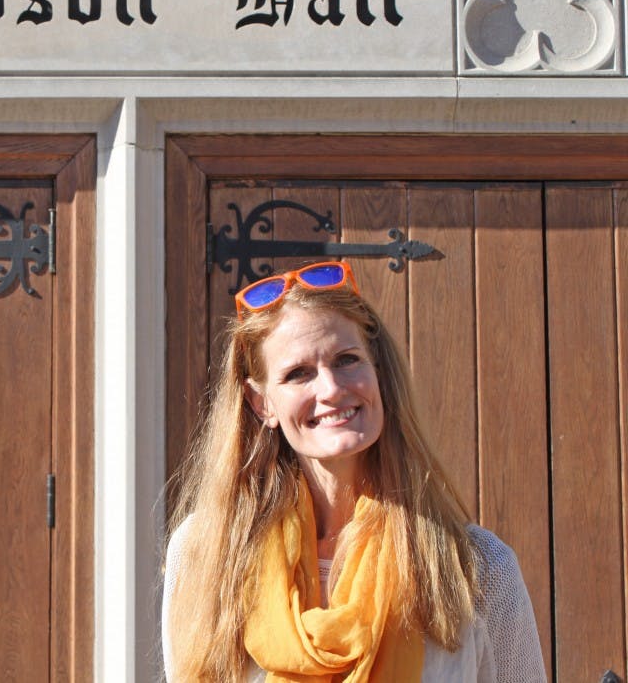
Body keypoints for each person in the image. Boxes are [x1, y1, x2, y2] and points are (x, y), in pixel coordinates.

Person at [162, 261, 545, 682]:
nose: (330, 389)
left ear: (377, 371)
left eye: (346, 360)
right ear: (261, 404)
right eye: (298, 374)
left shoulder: (478, 569)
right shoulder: (206, 555)